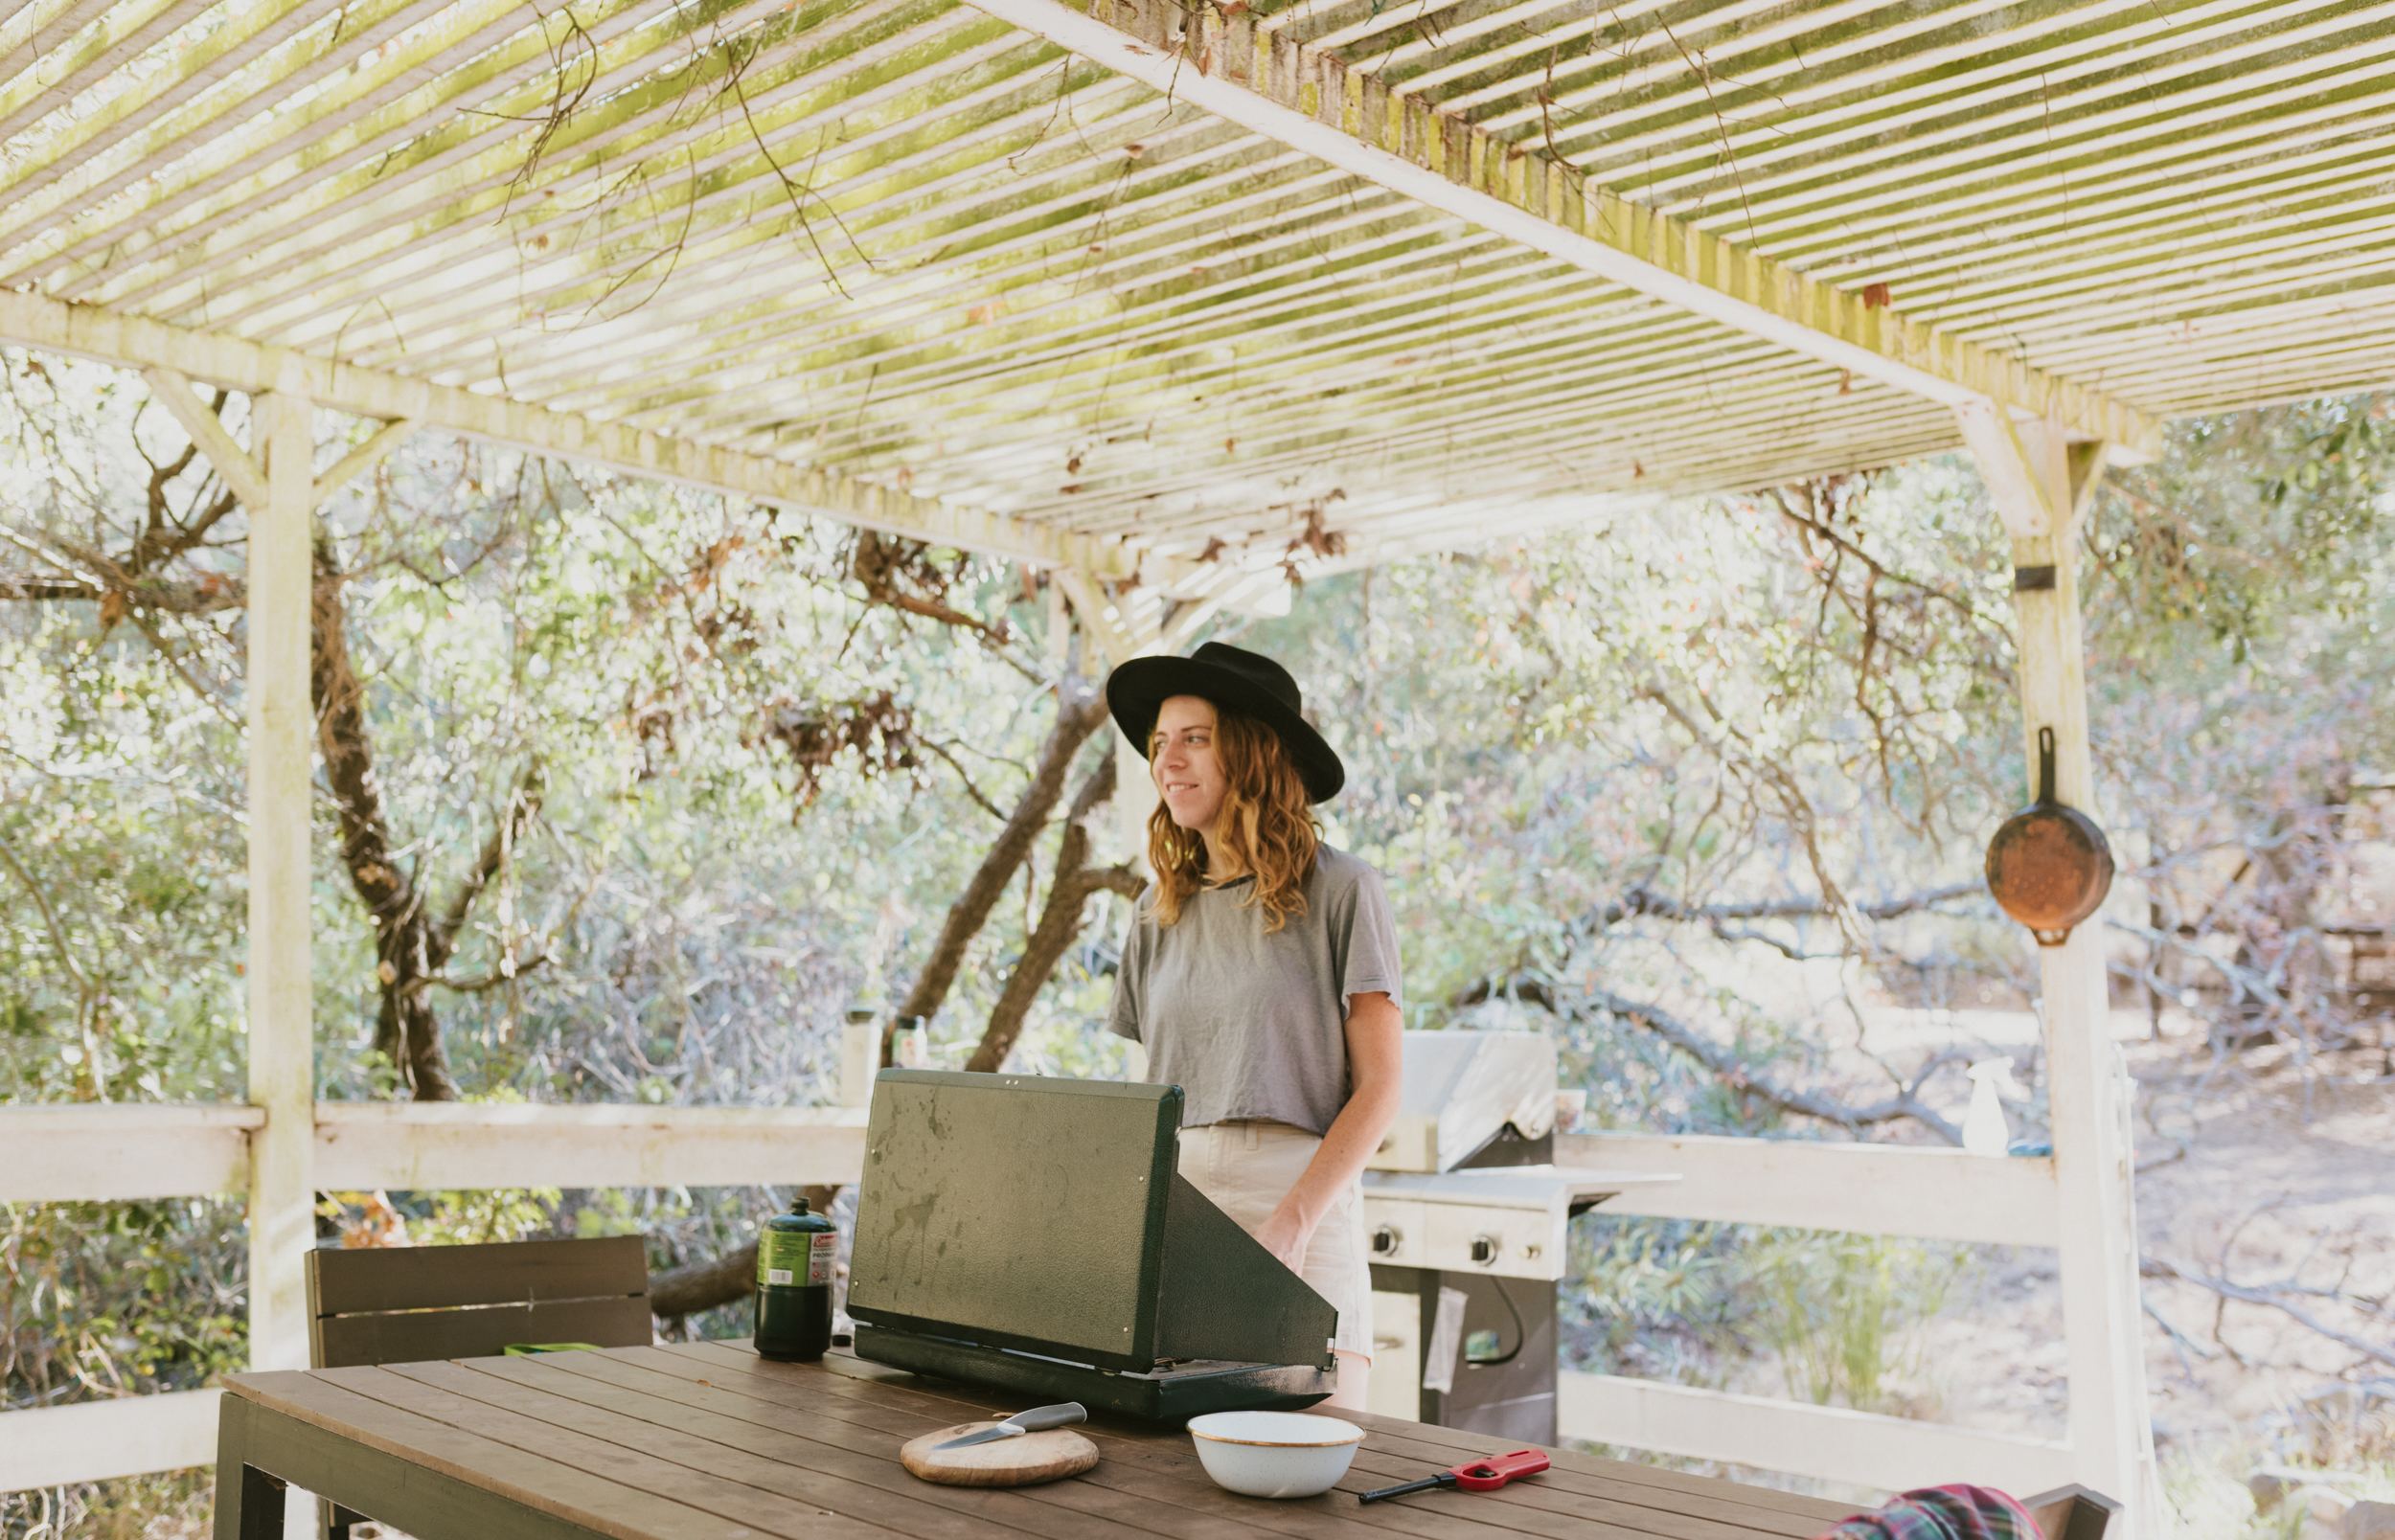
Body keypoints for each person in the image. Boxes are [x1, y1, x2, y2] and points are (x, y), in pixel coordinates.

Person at [1103, 642, 1403, 1413]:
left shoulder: (1343, 890)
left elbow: (1381, 1089)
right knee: (1174, 1479)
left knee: (1316, 1467)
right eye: (1159, 743)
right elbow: (1157, 1092)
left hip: (1303, 1198)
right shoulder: (1153, 911)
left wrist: (1296, 1222)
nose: (1168, 760)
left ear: (1252, 751)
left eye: (1193, 738)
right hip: (1183, 1209)